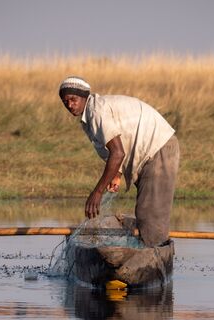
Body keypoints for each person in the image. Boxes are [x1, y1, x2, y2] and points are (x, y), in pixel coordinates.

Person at [58, 76, 179, 247]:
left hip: (159, 147)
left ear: (84, 97)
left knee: (150, 214)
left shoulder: (96, 112)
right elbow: (117, 144)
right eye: (65, 102)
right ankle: (147, 249)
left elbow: (117, 153)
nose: (70, 105)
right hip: (150, 151)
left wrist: (98, 192)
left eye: (73, 99)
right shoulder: (91, 115)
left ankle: (153, 261)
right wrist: (117, 174)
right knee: (146, 211)